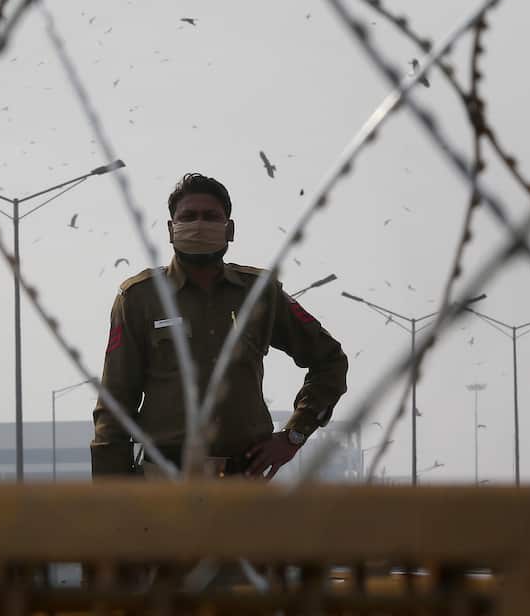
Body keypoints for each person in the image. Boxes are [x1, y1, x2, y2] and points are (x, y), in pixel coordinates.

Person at [91, 172, 349, 479]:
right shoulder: (139, 299)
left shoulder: (260, 294)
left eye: (210, 216)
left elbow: (330, 361)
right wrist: (111, 497)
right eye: (189, 216)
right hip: (163, 484)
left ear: (229, 229)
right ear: (172, 229)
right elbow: (115, 403)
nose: (199, 224)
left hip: (242, 484)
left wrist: (294, 435)